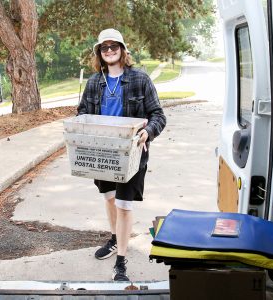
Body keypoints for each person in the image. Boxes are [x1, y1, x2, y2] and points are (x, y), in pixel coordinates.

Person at [77, 28, 166, 281]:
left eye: (113, 46)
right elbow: (82, 111)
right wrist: (79, 128)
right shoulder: (95, 82)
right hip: (102, 153)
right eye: (104, 48)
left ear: (123, 49)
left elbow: (158, 115)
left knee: (124, 205)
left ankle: (121, 262)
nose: (109, 51)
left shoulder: (140, 79)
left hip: (132, 153)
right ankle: (116, 238)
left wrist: (148, 132)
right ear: (99, 53)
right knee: (109, 199)